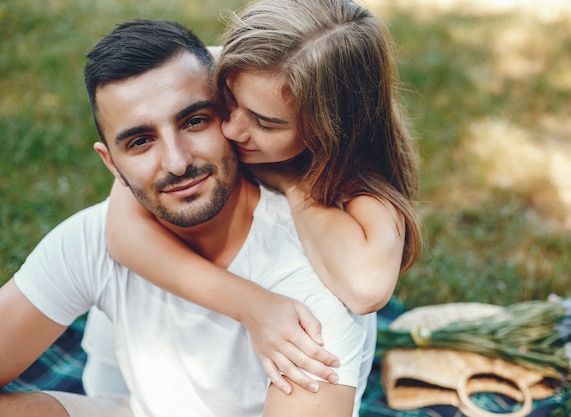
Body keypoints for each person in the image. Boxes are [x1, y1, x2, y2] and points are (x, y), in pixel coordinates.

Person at [0, 18, 369, 417]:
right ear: (112, 165)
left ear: (232, 118)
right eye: (141, 141)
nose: (177, 162)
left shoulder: (311, 284)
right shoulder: (94, 237)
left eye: (194, 121)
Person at [103, 0, 422, 397]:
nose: (233, 130)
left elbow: (366, 288)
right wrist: (249, 304)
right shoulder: (235, 68)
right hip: (140, 335)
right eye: (227, 101)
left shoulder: (360, 173)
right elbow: (120, 232)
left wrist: (295, 186)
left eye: (265, 123)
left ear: (328, 132)